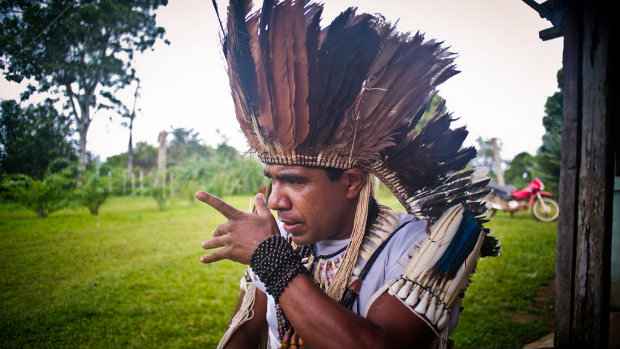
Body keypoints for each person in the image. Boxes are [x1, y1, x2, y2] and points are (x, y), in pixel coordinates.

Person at [199, 1, 499, 348]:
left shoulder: (417, 244)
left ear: (351, 182)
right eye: (273, 179)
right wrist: (269, 255)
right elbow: (249, 331)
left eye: (295, 181)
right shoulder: (278, 238)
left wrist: (272, 260)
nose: (276, 201)